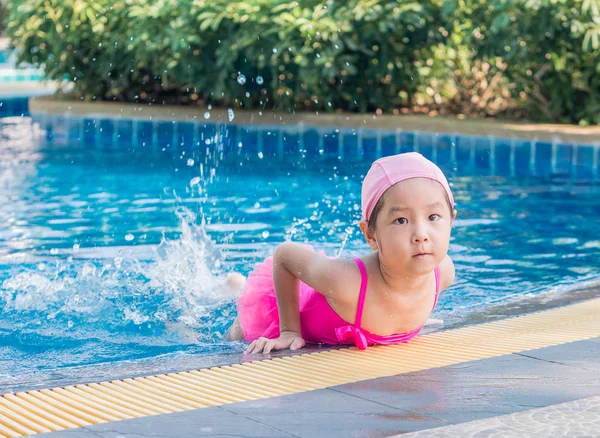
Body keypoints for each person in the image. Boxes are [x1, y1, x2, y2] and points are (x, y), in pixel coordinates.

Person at [227, 152, 457, 353]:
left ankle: (234, 285)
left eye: (433, 217)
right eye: (401, 220)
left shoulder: (443, 272)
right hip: (280, 310)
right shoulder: (348, 284)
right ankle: (233, 288)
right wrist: (288, 330)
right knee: (233, 333)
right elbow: (285, 255)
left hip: (326, 285)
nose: (421, 234)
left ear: (451, 221)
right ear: (371, 235)